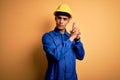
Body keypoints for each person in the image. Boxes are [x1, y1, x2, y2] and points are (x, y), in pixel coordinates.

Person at [42, 3, 85, 80]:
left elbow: (81, 56)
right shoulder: (47, 37)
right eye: (59, 18)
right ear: (55, 18)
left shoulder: (71, 37)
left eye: (64, 19)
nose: (61, 21)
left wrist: (77, 39)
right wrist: (71, 39)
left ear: (68, 20)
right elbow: (56, 56)